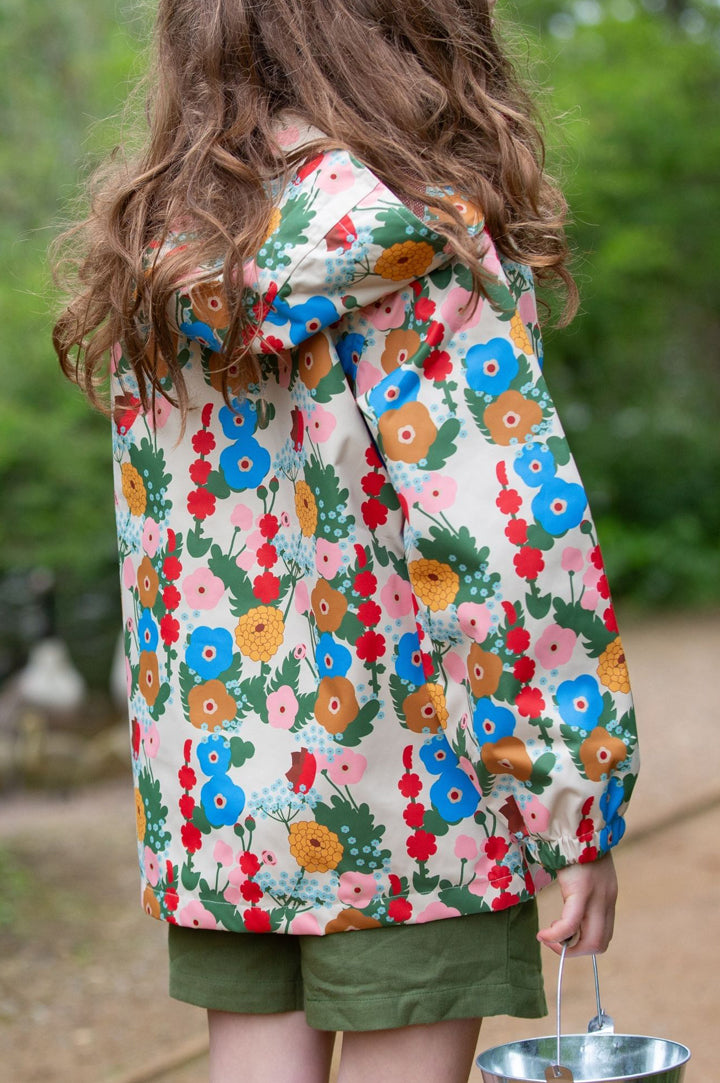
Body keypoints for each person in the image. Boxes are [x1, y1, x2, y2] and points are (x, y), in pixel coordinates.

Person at [52, 2, 639, 1080]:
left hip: (225, 794)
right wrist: (572, 794)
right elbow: (503, 536)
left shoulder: (166, 252)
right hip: (414, 790)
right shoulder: (419, 236)